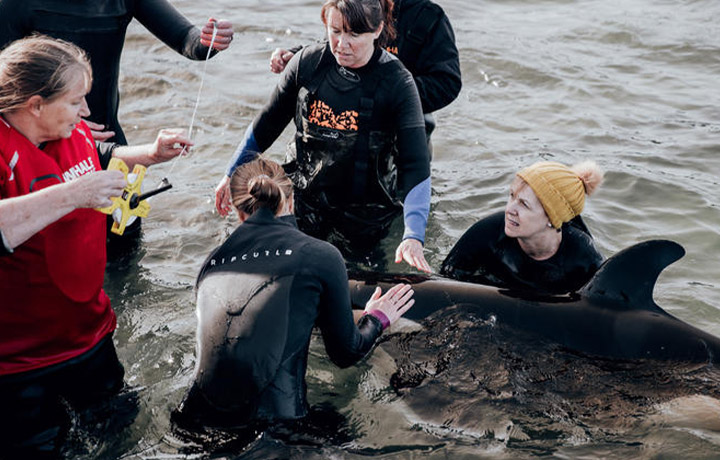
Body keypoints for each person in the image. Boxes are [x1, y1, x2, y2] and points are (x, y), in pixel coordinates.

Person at [0, 36, 191, 456]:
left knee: (120, 435)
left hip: (90, 337)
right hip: (18, 366)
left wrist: (149, 154)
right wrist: (73, 194)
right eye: (76, 101)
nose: (86, 111)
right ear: (35, 105)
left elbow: (98, 154)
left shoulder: (70, 129)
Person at [173, 157, 414, 437]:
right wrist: (377, 318)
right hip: (276, 431)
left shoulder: (209, 264)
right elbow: (346, 353)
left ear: (239, 213)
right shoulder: (322, 255)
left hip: (191, 424)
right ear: (291, 201)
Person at [215, 0, 433, 273]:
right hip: (305, 195)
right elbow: (266, 124)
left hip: (365, 210)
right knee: (283, 267)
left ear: (378, 30)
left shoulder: (398, 82)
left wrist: (413, 234)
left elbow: (416, 165)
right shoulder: (307, 63)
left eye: (355, 34)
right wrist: (231, 171)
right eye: (335, 31)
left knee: (354, 280)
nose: (342, 44)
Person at [0, 0, 234, 145]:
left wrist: (210, 40)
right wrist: (64, 125)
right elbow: (4, 83)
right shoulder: (17, 3)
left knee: (128, 223)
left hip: (107, 134)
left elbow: (186, 39)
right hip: (44, 140)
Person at [269, 0, 461, 144]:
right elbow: (333, 48)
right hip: (348, 126)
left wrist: (393, 95)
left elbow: (447, 82)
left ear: (379, 29)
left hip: (401, 129)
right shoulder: (354, 4)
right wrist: (296, 57)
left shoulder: (429, 17)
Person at [440, 161, 605, 295]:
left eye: (524, 204)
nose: (510, 210)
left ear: (551, 218)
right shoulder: (488, 233)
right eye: (512, 196)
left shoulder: (584, 259)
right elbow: (444, 282)